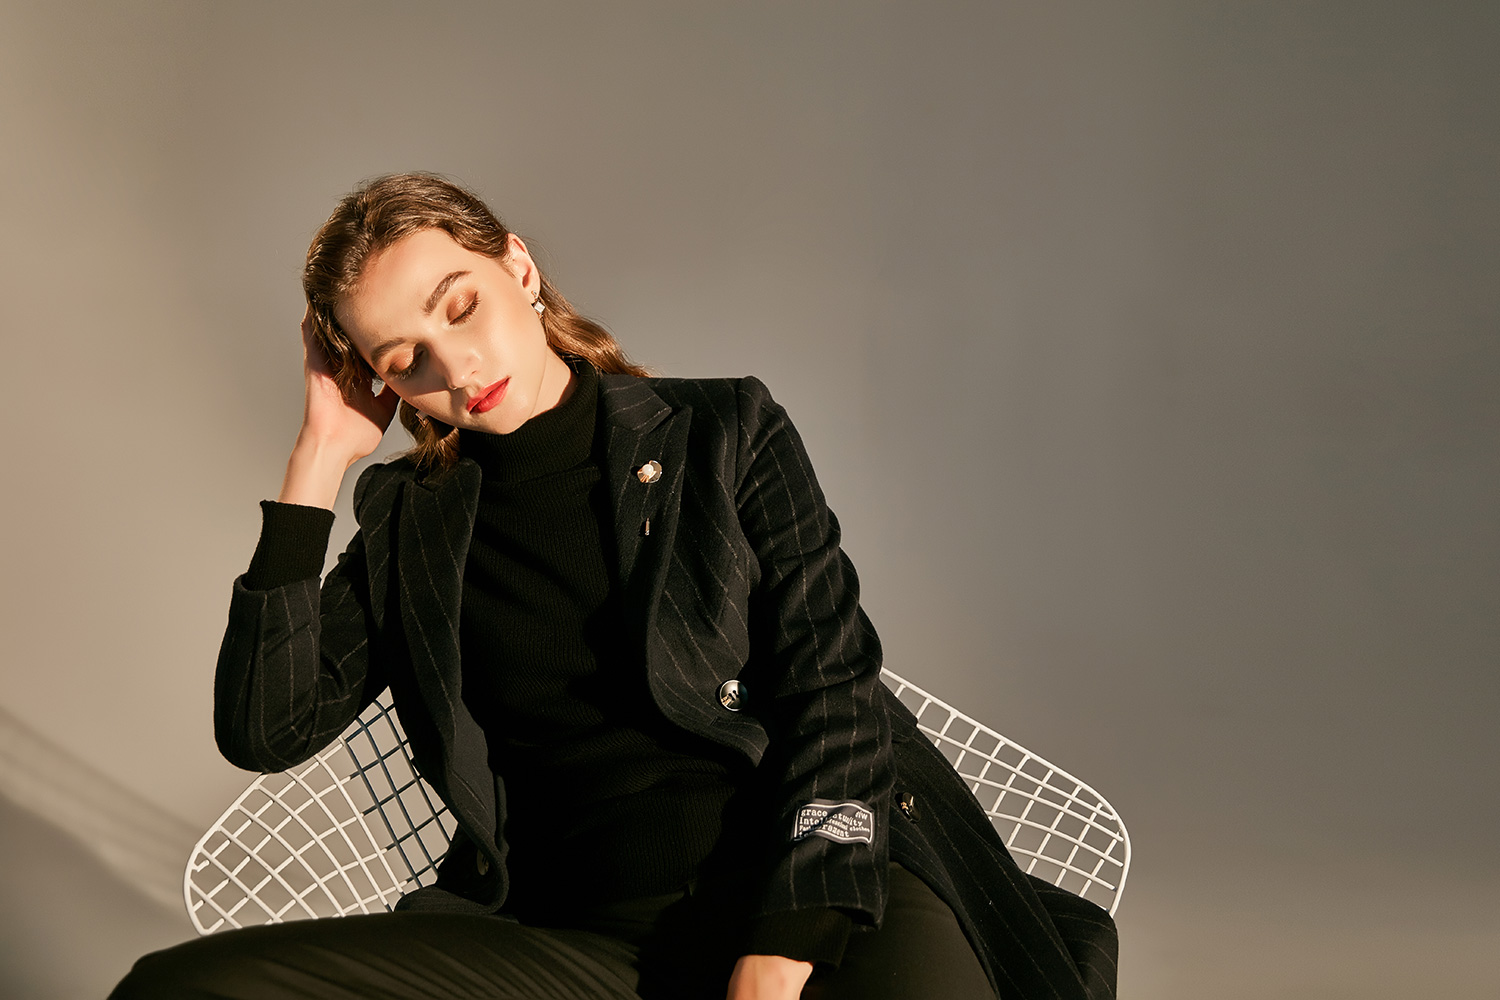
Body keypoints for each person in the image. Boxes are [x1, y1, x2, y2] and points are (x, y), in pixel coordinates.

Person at [110, 174, 1117, 1000]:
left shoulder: (722, 431)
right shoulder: (412, 520)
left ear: (518, 267)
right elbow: (268, 728)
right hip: (581, 944)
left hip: (819, 893)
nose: (456, 365)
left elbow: (834, 689)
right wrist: (320, 462)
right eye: (404, 359)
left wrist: (784, 943)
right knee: (177, 991)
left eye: (460, 305)